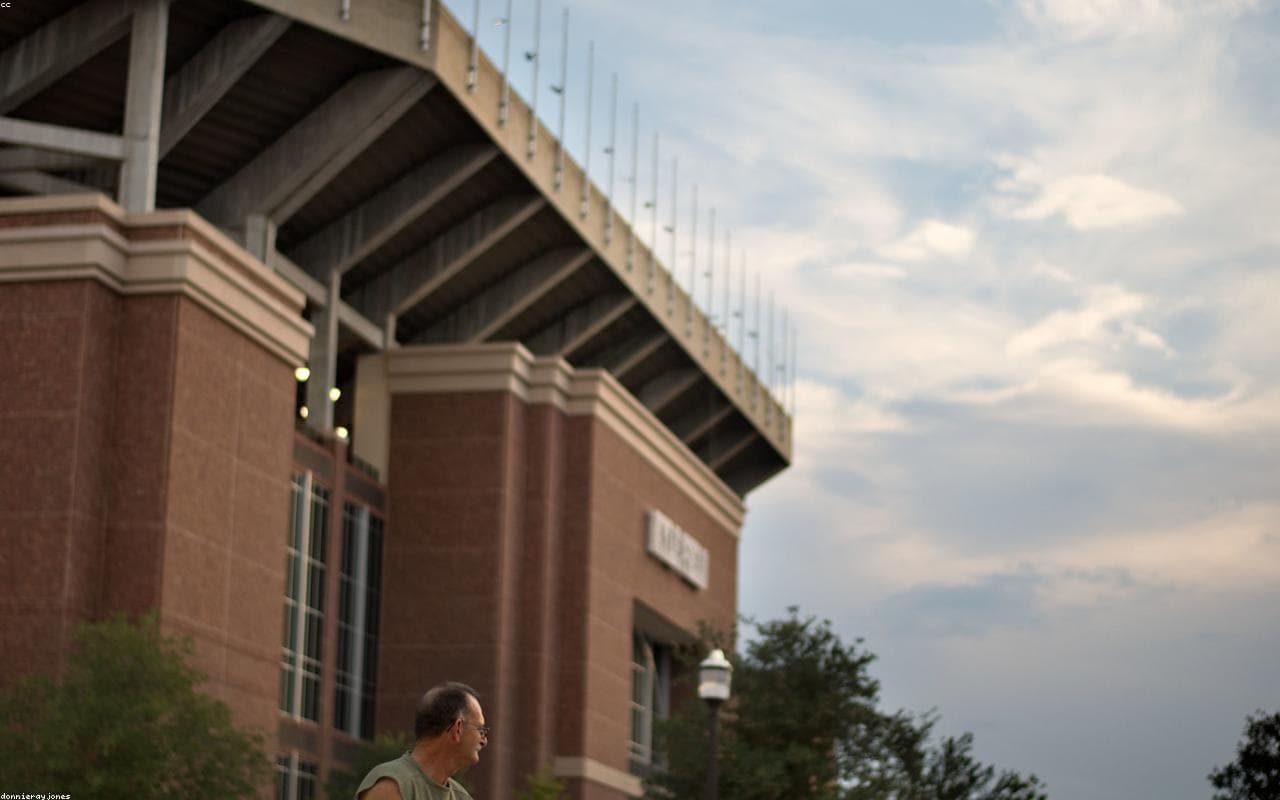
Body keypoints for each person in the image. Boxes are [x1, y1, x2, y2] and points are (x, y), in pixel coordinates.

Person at [355, 681, 489, 799]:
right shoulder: (392, 785)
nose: (484, 741)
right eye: (480, 730)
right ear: (457, 728)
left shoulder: (462, 797)